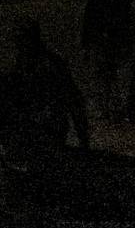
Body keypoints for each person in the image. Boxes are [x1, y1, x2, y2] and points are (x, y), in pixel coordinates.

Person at [5, 20, 90, 149]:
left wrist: (83, 137)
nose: (20, 46)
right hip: (30, 125)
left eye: (23, 40)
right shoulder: (23, 64)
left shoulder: (51, 65)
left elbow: (73, 99)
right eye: (18, 41)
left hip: (48, 126)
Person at [79, 0, 132, 114]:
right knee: (113, 76)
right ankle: (114, 106)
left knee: (103, 77)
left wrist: (85, 46)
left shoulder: (95, 0)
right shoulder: (119, 0)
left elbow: (88, 24)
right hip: (113, 44)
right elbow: (126, 24)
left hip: (102, 44)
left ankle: (106, 107)